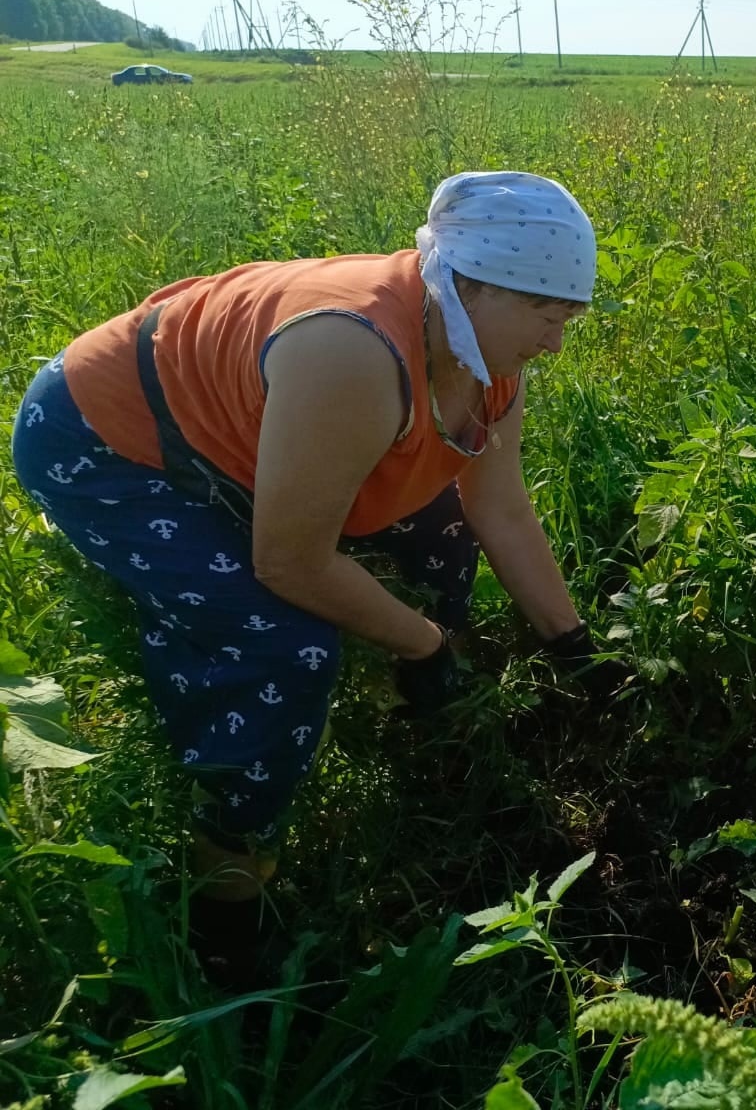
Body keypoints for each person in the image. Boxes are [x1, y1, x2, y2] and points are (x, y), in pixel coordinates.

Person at [11, 171, 626, 986]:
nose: (555, 344)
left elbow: (499, 510)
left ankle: (419, 727)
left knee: (439, 533)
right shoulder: (351, 349)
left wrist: (573, 644)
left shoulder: (483, 358)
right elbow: (289, 561)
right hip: (113, 438)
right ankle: (223, 903)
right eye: (546, 317)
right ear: (466, 284)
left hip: (261, 431)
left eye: (568, 321)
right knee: (281, 646)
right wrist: (422, 641)